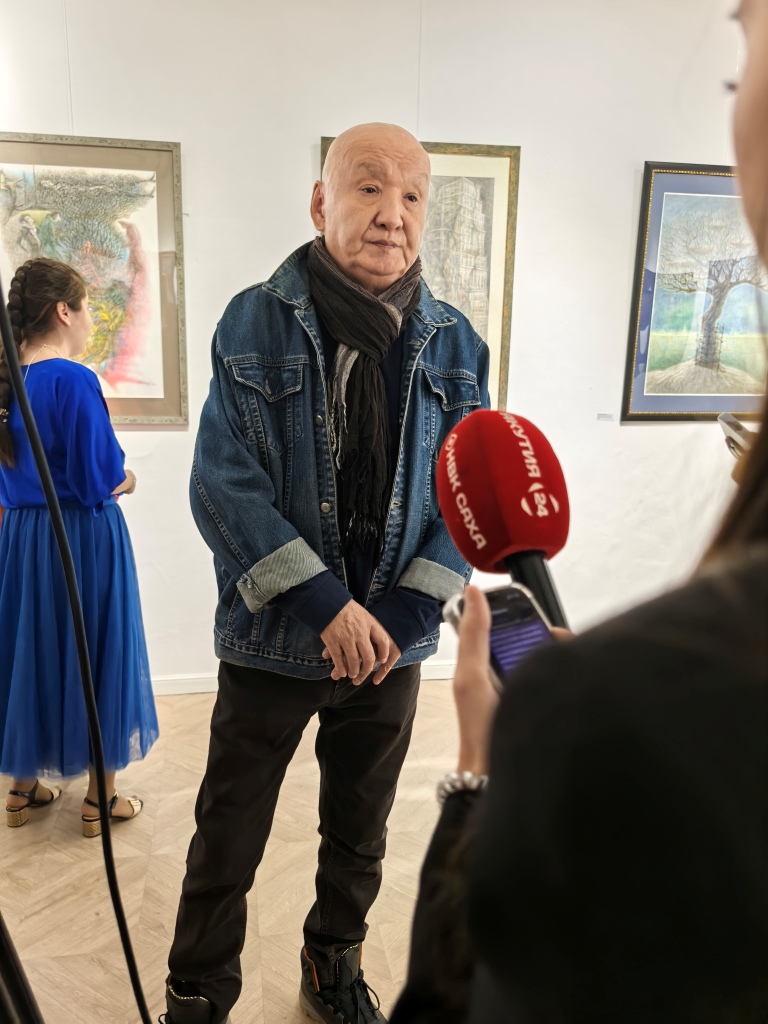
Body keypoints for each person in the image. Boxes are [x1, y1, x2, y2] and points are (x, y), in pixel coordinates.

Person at [391, 3, 768, 1020]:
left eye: (745, 57)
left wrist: (482, 779)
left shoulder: (626, 716)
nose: (392, 212)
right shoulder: (255, 322)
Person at [164, 123, 490, 1024]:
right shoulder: (253, 320)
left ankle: (331, 966)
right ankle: (198, 993)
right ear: (322, 202)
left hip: (391, 648)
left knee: (361, 830)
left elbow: (468, 495)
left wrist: (395, 616)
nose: (392, 214)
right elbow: (222, 483)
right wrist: (323, 605)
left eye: (412, 195)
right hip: (274, 639)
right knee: (228, 832)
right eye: (369, 187)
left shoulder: (456, 345)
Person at [0, 257, 157, 836]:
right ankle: (99, 799)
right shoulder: (72, 379)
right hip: (82, 537)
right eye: (87, 306)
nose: (91, 319)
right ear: (64, 311)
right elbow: (99, 480)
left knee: (30, 651)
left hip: (21, 540)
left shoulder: (8, 380)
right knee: (97, 652)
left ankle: (21, 790)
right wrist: (130, 478)